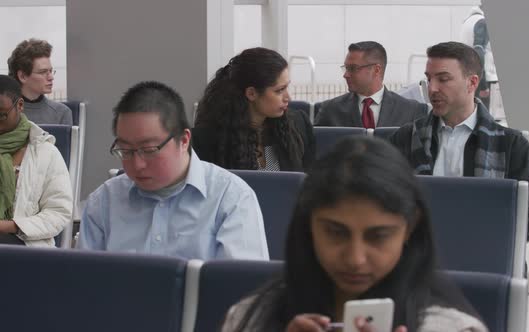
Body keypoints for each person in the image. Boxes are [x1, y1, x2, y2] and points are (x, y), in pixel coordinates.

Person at [221, 136, 488, 332]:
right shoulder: (250, 319)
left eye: (378, 236)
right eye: (336, 233)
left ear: (410, 226)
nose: (355, 258)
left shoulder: (450, 328)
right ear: (309, 225)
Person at [77, 81, 269, 260]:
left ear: (184, 140)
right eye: (125, 151)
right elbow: (85, 286)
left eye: (149, 150)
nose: (137, 164)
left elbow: (242, 289)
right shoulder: (103, 202)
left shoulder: (230, 199)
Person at [389, 41, 529, 241]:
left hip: (483, 254)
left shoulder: (511, 145)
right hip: (419, 256)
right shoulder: (405, 138)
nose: (432, 88)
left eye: (443, 79)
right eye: (429, 79)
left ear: (472, 83)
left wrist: (474, 231)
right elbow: (383, 201)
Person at [192, 47, 314, 171]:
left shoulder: (298, 125)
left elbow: (310, 184)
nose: (288, 97)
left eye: (286, 87)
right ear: (251, 93)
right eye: (279, 90)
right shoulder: (206, 139)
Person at [0, 75, 72, 246]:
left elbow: (58, 212)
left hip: (26, 248)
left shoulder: (45, 153)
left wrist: (10, 226)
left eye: (1, 115)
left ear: (20, 105)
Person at [315, 41, 427, 128]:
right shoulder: (330, 110)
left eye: (353, 68)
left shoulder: (410, 110)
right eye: (346, 68)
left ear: (376, 70)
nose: (346, 75)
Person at [7, 38, 73, 125]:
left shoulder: (62, 113)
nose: (51, 77)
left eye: (50, 71)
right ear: (22, 76)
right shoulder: (4, 114)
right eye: (43, 72)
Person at [460, 6, 507, 125]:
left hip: (467, 72)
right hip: (481, 75)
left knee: (470, 115)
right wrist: (483, 82)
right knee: (482, 119)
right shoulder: (482, 22)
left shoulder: (467, 22)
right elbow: (479, 51)